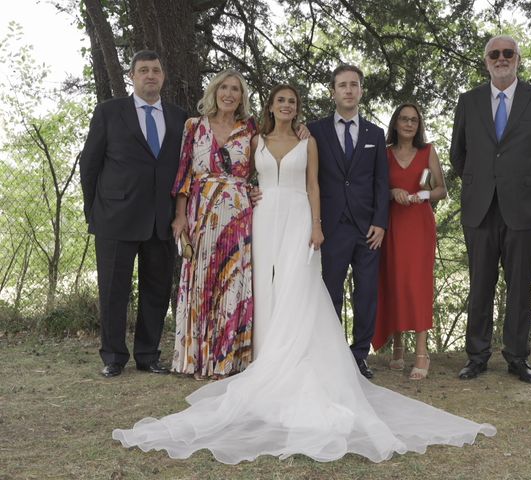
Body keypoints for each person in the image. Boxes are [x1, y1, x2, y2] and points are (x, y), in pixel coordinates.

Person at [112, 84, 496, 463]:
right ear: (271, 106)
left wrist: (316, 224)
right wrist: (248, 194)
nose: (286, 106)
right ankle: (259, 354)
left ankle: (298, 357)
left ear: (298, 108)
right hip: (261, 219)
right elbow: (235, 171)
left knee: (300, 284)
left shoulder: (309, 139)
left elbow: (314, 185)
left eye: (292, 102)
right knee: (262, 286)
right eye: (280, 100)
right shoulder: (255, 136)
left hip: (299, 217)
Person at [450, 35, 531, 383]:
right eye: (494, 54)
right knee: (480, 283)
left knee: (520, 286)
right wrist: (484, 180)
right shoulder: (468, 102)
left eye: (507, 53)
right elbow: (458, 154)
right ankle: (477, 356)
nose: (501, 58)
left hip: (523, 209)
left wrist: (522, 182)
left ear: (518, 58)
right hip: (480, 208)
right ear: (486, 61)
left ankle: (517, 358)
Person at [80, 50, 187, 378]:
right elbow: (90, 164)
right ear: (133, 76)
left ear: (163, 76)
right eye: (143, 70)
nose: (150, 75)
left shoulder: (180, 118)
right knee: (114, 290)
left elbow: (184, 169)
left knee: (155, 290)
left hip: (161, 219)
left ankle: (148, 354)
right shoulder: (110, 112)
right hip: (115, 216)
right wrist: (93, 210)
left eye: (156, 70)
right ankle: (113, 356)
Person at [170, 69, 256, 380]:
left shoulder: (250, 129)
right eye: (224, 88)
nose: (230, 94)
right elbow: (184, 174)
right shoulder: (194, 126)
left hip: (238, 214)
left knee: (232, 281)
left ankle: (227, 360)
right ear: (214, 92)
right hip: (201, 211)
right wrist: (180, 216)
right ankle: (199, 360)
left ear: (242, 97)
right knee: (201, 282)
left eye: (236, 89)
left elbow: (271, 160)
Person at [307, 64, 389, 379]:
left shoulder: (374, 134)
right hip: (331, 225)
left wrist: (380, 223)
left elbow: (381, 181)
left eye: (354, 84)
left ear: (361, 90)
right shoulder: (315, 130)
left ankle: (359, 356)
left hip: (368, 228)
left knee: (367, 291)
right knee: (331, 291)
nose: (349, 90)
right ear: (333, 91)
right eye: (342, 85)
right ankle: (332, 352)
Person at [372, 103, 447, 380]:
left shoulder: (428, 151)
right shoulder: (385, 152)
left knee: (418, 284)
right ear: (395, 123)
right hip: (392, 223)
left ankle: (421, 352)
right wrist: (393, 192)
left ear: (419, 124)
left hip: (418, 224)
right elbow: (376, 186)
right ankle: (398, 347)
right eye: (404, 119)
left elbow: (441, 189)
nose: (408, 124)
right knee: (394, 281)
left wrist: (422, 196)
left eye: (414, 120)